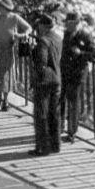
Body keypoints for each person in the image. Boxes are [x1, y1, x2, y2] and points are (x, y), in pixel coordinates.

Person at [59, 11, 95, 142]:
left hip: (77, 73)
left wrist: (81, 53)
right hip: (65, 71)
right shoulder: (66, 34)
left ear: (76, 24)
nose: (68, 26)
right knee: (61, 99)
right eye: (67, 24)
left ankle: (72, 132)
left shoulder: (85, 36)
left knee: (73, 102)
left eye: (71, 24)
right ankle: (59, 126)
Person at [28, 14, 61, 156]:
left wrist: (33, 51)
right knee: (54, 115)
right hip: (56, 79)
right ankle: (56, 144)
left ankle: (42, 147)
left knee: (41, 115)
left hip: (44, 82)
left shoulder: (43, 41)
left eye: (39, 25)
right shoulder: (58, 38)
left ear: (43, 26)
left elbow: (41, 63)